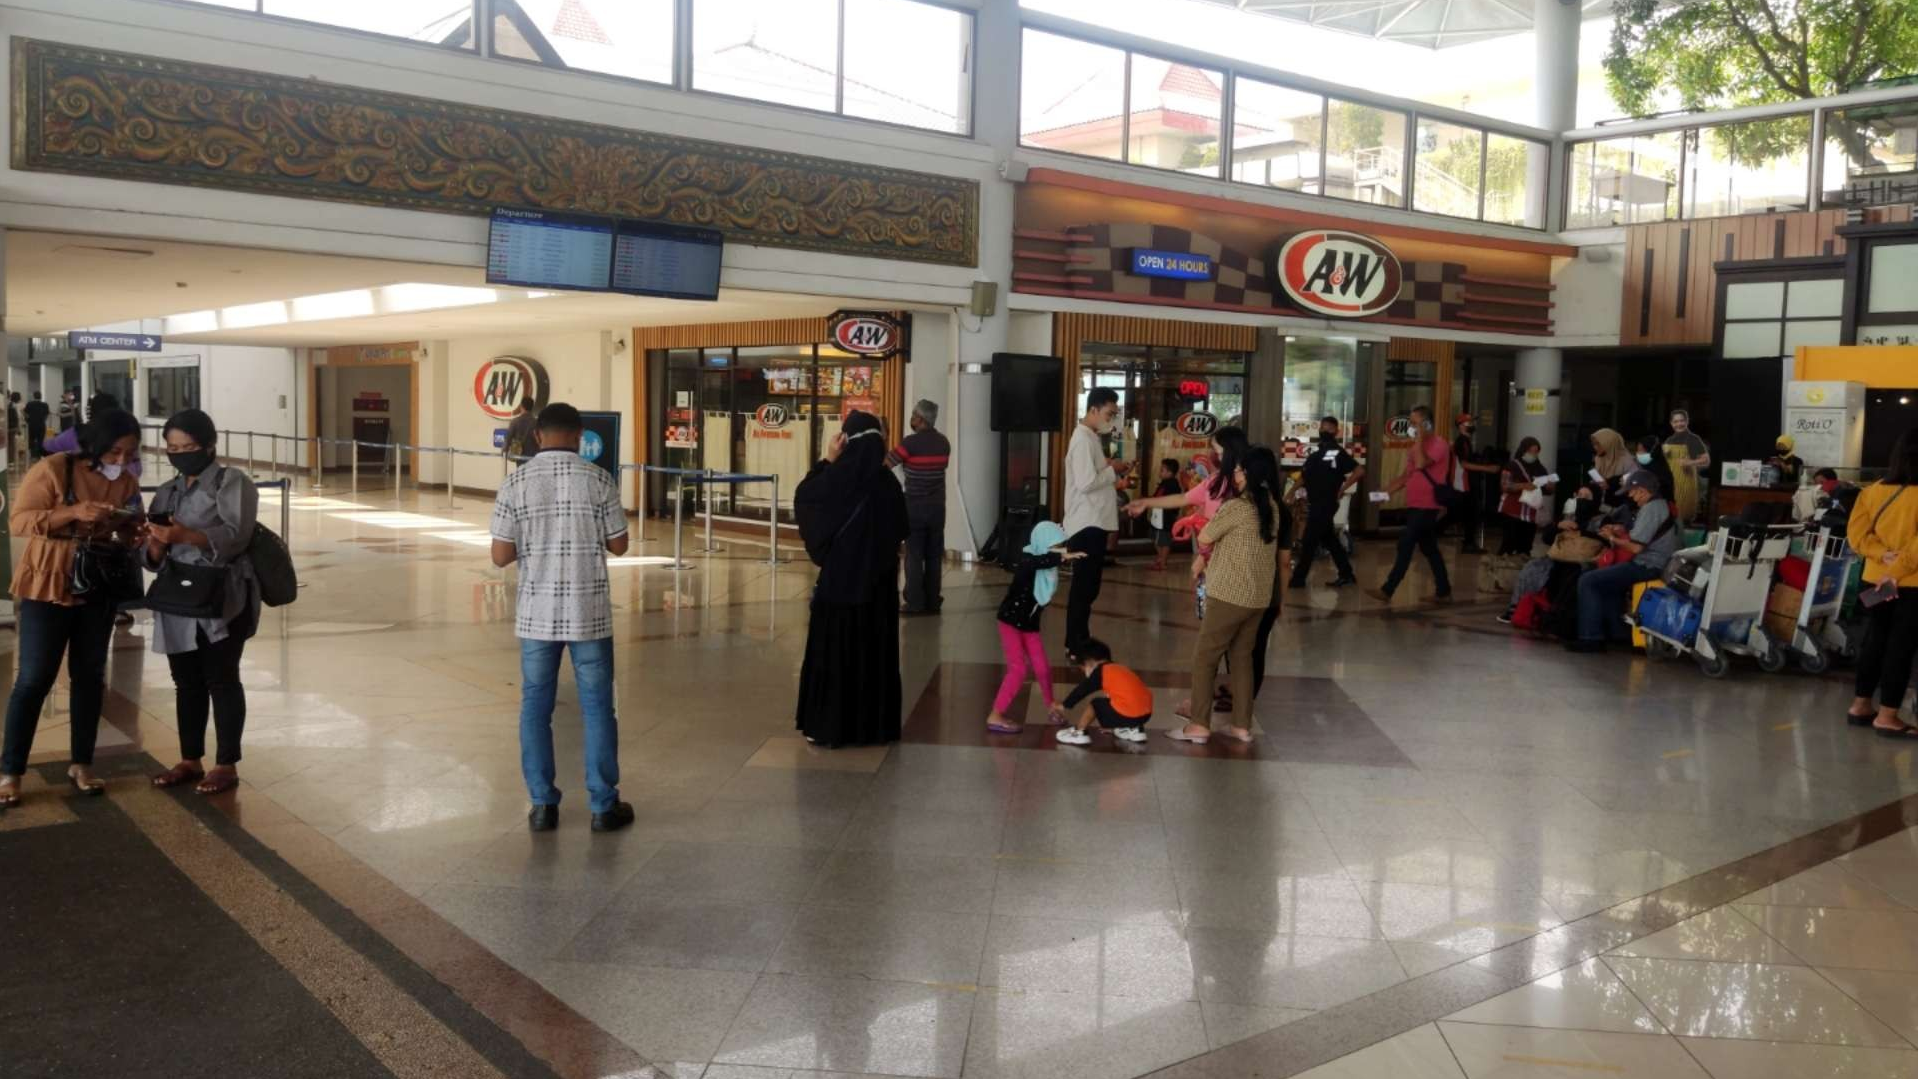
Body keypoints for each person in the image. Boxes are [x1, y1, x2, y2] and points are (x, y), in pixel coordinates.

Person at [490, 403, 634, 833]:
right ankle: (603, 807)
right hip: (588, 614)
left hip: (537, 615)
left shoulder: (515, 482)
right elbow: (620, 546)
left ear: (537, 435)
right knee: (597, 710)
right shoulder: (599, 479)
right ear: (579, 436)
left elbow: (500, 556)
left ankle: (542, 807)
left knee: (535, 709)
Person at [0, 410, 144, 807]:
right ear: (95, 445)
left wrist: (131, 528)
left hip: (96, 584)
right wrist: (74, 512)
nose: (120, 461)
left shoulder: (127, 480)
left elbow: (132, 522)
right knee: (33, 679)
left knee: (89, 676)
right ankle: (11, 771)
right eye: (114, 452)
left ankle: (82, 763)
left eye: (129, 453)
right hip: (47, 582)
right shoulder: (53, 469)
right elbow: (19, 521)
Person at [144, 411, 260, 796]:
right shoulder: (167, 490)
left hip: (222, 597)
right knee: (186, 682)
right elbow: (150, 556)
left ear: (210, 446)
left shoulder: (231, 482)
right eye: (173, 448)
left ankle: (226, 764)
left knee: (221, 678)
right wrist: (156, 544)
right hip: (177, 599)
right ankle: (189, 759)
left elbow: (236, 535)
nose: (180, 454)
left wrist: (188, 535)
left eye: (188, 447)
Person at [794, 410, 910, 748]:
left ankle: (827, 725)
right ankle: (872, 727)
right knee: (873, 655)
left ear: (845, 441)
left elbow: (805, 499)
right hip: (877, 590)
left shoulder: (832, 479)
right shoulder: (888, 483)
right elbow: (902, 530)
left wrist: (827, 460)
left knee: (834, 654)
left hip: (839, 588)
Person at [1126, 426, 1250, 720]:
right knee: (1221, 638)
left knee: (1215, 643)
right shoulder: (1216, 481)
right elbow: (1183, 499)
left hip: (1230, 570)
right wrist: (1146, 502)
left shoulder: (1246, 486)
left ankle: (1203, 709)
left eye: (1217, 450)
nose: (1212, 455)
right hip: (1212, 571)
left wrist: (1204, 555)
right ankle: (1230, 701)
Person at [1168, 446, 1282, 745]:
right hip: (1258, 596)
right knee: (1242, 658)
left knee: (1205, 658)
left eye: (1240, 470)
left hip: (1230, 594)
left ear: (1252, 474)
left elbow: (1205, 537)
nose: (1235, 474)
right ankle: (1242, 726)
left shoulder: (1236, 507)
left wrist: (1197, 521)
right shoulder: (1271, 506)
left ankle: (1198, 725)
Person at [1847, 429, 1918, 739]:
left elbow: (1857, 535)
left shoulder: (1873, 490)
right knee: (1900, 647)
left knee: (1874, 641)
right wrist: (1899, 566)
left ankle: (1861, 705)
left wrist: (1882, 556)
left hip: (1874, 578)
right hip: (1911, 582)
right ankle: (1888, 715)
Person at [986, 520, 1084, 735]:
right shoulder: (1028, 563)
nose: (1061, 550)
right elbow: (1034, 563)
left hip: (1029, 626)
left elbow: (1045, 564)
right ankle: (995, 714)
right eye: (1056, 546)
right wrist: (1060, 557)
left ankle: (1051, 706)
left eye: (1062, 545)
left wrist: (1057, 556)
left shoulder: (1048, 571)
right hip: (1010, 622)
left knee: (1042, 667)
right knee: (1018, 668)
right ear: (1043, 545)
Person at [1566, 470, 1679, 653]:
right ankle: (1618, 633)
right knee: (1609, 584)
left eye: (1632, 492)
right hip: (1654, 562)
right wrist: (1619, 529)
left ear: (1642, 491)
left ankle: (1590, 638)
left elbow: (1636, 548)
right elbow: (1641, 535)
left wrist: (1612, 538)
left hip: (1648, 565)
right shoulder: (1658, 505)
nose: (1631, 497)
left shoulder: (1651, 509)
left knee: (1588, 580)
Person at [1062, 387, 1130, 658]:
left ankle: (1079, 638)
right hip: (1086, 523)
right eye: (1108, 414)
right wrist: (1112, 471)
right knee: (1084, 587)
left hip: (1095, 521)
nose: (1111, 420)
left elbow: (1094, 477)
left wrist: (1111, 470)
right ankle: (1075, 642)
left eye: (1113, 415)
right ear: (1093, 409)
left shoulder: (1090, 437)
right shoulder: (1081, 439)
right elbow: (1086, 482)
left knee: (1089, 587)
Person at [1367, 405, 1453, 604]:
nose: (1412, 427)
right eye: (1411, 423)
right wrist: (1383, 494)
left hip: (1428, 505)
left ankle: (1388, 589)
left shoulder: (1439, 444)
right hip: (1415, 504)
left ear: (1427, 424)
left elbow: (1423, 464)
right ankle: (1444, 590)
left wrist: (1421, 439)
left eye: (1416, 423)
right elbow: (1407, 476)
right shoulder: (1414, 448)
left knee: (1405, 543)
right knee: (1430, 548)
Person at [888, 399, 950, 615]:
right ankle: (933, 600)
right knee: (933, 556)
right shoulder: (944, 442)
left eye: (914, 415)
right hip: (937, 508)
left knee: (914, 556)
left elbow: (887, 463)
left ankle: (915, 602)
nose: (911, 419)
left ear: (921, 419)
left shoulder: (910, 443)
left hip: (914, 507)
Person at [1291, 416, 1363, 587]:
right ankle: (1347, 574)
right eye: (1323, 428)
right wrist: (1291, 493)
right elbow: (1304, 476)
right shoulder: (1317, 454)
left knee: (1309, 541)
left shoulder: (1337, 452)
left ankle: (1298, 579)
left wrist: (1342, 489)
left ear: (1336, 432)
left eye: (1329, 428)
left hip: (1325, 503)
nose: (1325, 431)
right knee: (1329, 539)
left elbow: (1359, 471)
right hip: (1316, 502)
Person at [1054, 638, 1153, 746]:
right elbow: (1122, 699)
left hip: (1128, 713)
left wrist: (1064, 705)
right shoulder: (1119, 668)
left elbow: (1082, 690)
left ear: (1089, 661)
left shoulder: (1101, 671)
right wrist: (1114, 724)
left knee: (1095, 704)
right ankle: (1135, 730)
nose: (1083, 671)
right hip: (1145, 714)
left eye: (1081, 667)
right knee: (1115, 701)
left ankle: (1079, 732)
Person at [1450, 413, 1501, 553]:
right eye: (1469, 423)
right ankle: (1468, 543)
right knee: (1470, 513)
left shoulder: (1465, 441)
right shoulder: (1462, 442)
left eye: (1472, 422)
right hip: (1464, 482)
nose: (1472, 425)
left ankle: (1468, 541)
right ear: (1461, 425)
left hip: (1467, 482)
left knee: (1468, 512)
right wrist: (1487, 469)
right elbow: (1465, 464)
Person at [1496, 436, 1552, 557]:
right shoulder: (1511, 465)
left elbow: (1548, 491)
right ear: (1523, 450)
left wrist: (1549, 485)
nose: (1534, 454)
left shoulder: (1540, 468)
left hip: (1530, 513)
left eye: (1536, 452)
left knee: (1525, 546)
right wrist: (1524, 485)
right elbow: (1504, 486)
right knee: (1508, 543)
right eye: (1531, 451)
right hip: (1512, 511)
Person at [1665, 409, 1710, 518]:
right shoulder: (1669, 440)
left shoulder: (1693, 439)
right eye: (1675, 422)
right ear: (1671, 423)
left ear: (1687, 421)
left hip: (1687, 483)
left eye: (1681, 421)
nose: (1679, 424)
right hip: (1672, 483)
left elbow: (1706, 460)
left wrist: (1690, 462)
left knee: (1684, 515)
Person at [1148, 458, 1181, 572]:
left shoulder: (1172, 484)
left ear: (1170, 472)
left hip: (1165, 518)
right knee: (1157, 539)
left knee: (1164, 540)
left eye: (1162, 470)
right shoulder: (1164, 483)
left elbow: (1173, 501)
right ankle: (1160, 558)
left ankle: (1162, 562)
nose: (1159, 472)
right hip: (1158, 517)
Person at [1632, 434, 1677, 501]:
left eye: (1642, 450)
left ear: (1653, 452)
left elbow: (1660, 489)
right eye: (1638, 450)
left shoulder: (1661, 470)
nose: (1639, 453)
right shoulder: (1641, 465)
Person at [503, 398, 538, 464]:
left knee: (521, 472)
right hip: (533, 456)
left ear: (521, 406)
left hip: (519, 455)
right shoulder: (536, 422)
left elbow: (508, 439)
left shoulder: (515, 422)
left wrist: (504, 451)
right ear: (532, 407)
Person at [24, 392, 49, 459]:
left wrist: (28, 420)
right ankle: (39, 455)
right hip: (41, 425)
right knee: (40, 440)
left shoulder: (29, 404)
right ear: (41, 396)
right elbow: (46, 415)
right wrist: (42, 420)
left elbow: (26, 414)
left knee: (31, 439)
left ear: (33, 396)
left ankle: (32, 455)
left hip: (32, 425)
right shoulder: (45, 404)